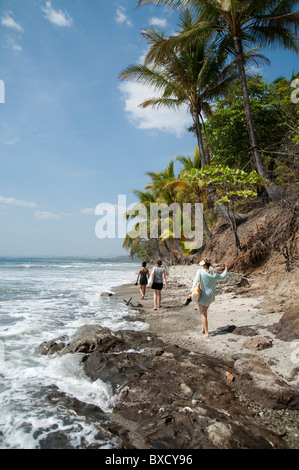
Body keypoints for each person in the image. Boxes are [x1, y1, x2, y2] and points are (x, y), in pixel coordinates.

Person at [190, 258, 229, 338]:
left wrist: (191, 293)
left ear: (204, 265)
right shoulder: (214, 274)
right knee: (205, 312)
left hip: (202, 296)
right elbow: (223, 276)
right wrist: (226, 268)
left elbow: (195, 282)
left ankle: (206, 333)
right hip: (210, 296)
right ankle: (203, 328)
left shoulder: (200, 272)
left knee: (203, 314)